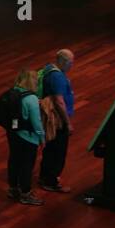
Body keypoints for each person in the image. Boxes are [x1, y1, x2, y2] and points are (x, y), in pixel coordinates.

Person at [6, 67, 46, 206]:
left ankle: (13, 189)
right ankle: (26, 193)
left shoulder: (13, 92)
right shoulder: (31, 98)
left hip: (12, 134)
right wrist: (42, 138)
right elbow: (36, 122)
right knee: (26, 165)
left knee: (14, 161)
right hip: (28, 138)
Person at [38, 49, 76, 194]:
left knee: (50, 148)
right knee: (57, 151)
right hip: (58, 119)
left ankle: (45, 177)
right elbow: (59, 102)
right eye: (71, 62)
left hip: (52, 118)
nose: (72, 65)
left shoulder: (49, 68)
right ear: (63, 62)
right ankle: (51, 181)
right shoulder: (58, 77)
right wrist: (68, 123)